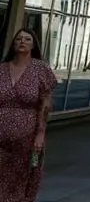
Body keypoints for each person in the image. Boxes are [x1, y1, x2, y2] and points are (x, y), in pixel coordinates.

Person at [0, 29, 57, 202]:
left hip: (28, 137)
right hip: (1, 136)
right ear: (13, 44)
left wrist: (40, 134)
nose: (22, 41)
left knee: (26, 174)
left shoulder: (40, 69)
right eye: (18, 39)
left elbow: (45, 103)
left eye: (27, 39)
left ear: (33, 44)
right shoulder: (2, 69)